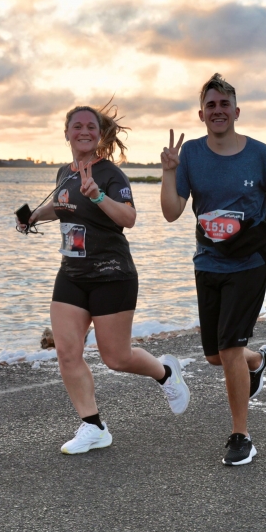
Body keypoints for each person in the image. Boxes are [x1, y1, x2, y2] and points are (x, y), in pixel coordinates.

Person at [21, 103, 190, 454]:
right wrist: (34, 216)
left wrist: (97, 195)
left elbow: (129, 218)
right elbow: (63, 205)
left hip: (112, 273)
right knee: (67, 353)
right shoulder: (64, 173)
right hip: (71, 274)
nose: (84, 131)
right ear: (66, 133)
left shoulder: (112, 175)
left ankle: (164, 373)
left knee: (116, 357)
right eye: (77, 126)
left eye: (91, 127)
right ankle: (93, 426)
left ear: (99, 135)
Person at [160, 73, 266, 466]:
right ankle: (258, 361)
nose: (217, 110)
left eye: (224, 104)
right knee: (215, 355)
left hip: (248, 263)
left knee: (230, 349)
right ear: (201, 114)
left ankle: (241, 436)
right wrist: (168, 171)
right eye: (211, 105)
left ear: (237, 112)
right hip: (207, 262)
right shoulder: (191, 155)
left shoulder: (260, 154)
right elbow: (171, 213)